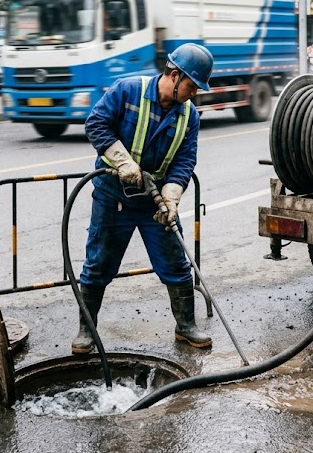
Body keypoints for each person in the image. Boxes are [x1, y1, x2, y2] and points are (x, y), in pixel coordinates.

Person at [72, 43, 214, 353]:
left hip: (154, 203)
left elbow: (185, 160)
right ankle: (86, 329)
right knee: (98, 265)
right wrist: (123, 163)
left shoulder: (188, 115)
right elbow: (96, 124)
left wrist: (172, 197)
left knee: (176, 264)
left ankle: (185, 326)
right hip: (114, 197)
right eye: (192, 86)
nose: (194, 94)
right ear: (174, 76)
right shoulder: (128, 91)